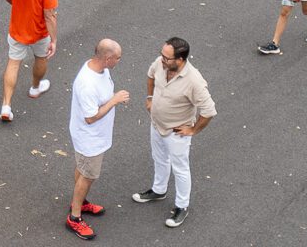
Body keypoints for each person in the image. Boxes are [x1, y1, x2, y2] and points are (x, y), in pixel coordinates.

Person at [134, 36, 215, 229]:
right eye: (162, 55)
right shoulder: (161, 64)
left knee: (180, 168)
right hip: (156, 124)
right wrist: (149, 97)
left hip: (176, 131)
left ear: (180, 59)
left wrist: (193, 130)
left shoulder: (194, 81)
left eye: (167, 58)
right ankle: (159, 190)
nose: (162, 60)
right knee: (159, 158)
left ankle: (181, 206)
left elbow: (209, 110)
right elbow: (151, 75)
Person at [64, 39, 127, 241]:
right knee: (88, 175)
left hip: (96, 136)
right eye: (118, 57)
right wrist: (114, 100)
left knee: (83, 169)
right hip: (89, 137)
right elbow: (90, 117)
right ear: (108, 58)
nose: (119, 60)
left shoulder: (101, 69)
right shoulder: (87, 84)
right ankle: (74, 217)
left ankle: (80, 202)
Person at [0, 0, 58, 123]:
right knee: (41, 58)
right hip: (39, 32)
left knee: (13, 64)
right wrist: (53, 39)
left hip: (17, 29)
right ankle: (35, 87)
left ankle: (6, 106)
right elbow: (50, 15)